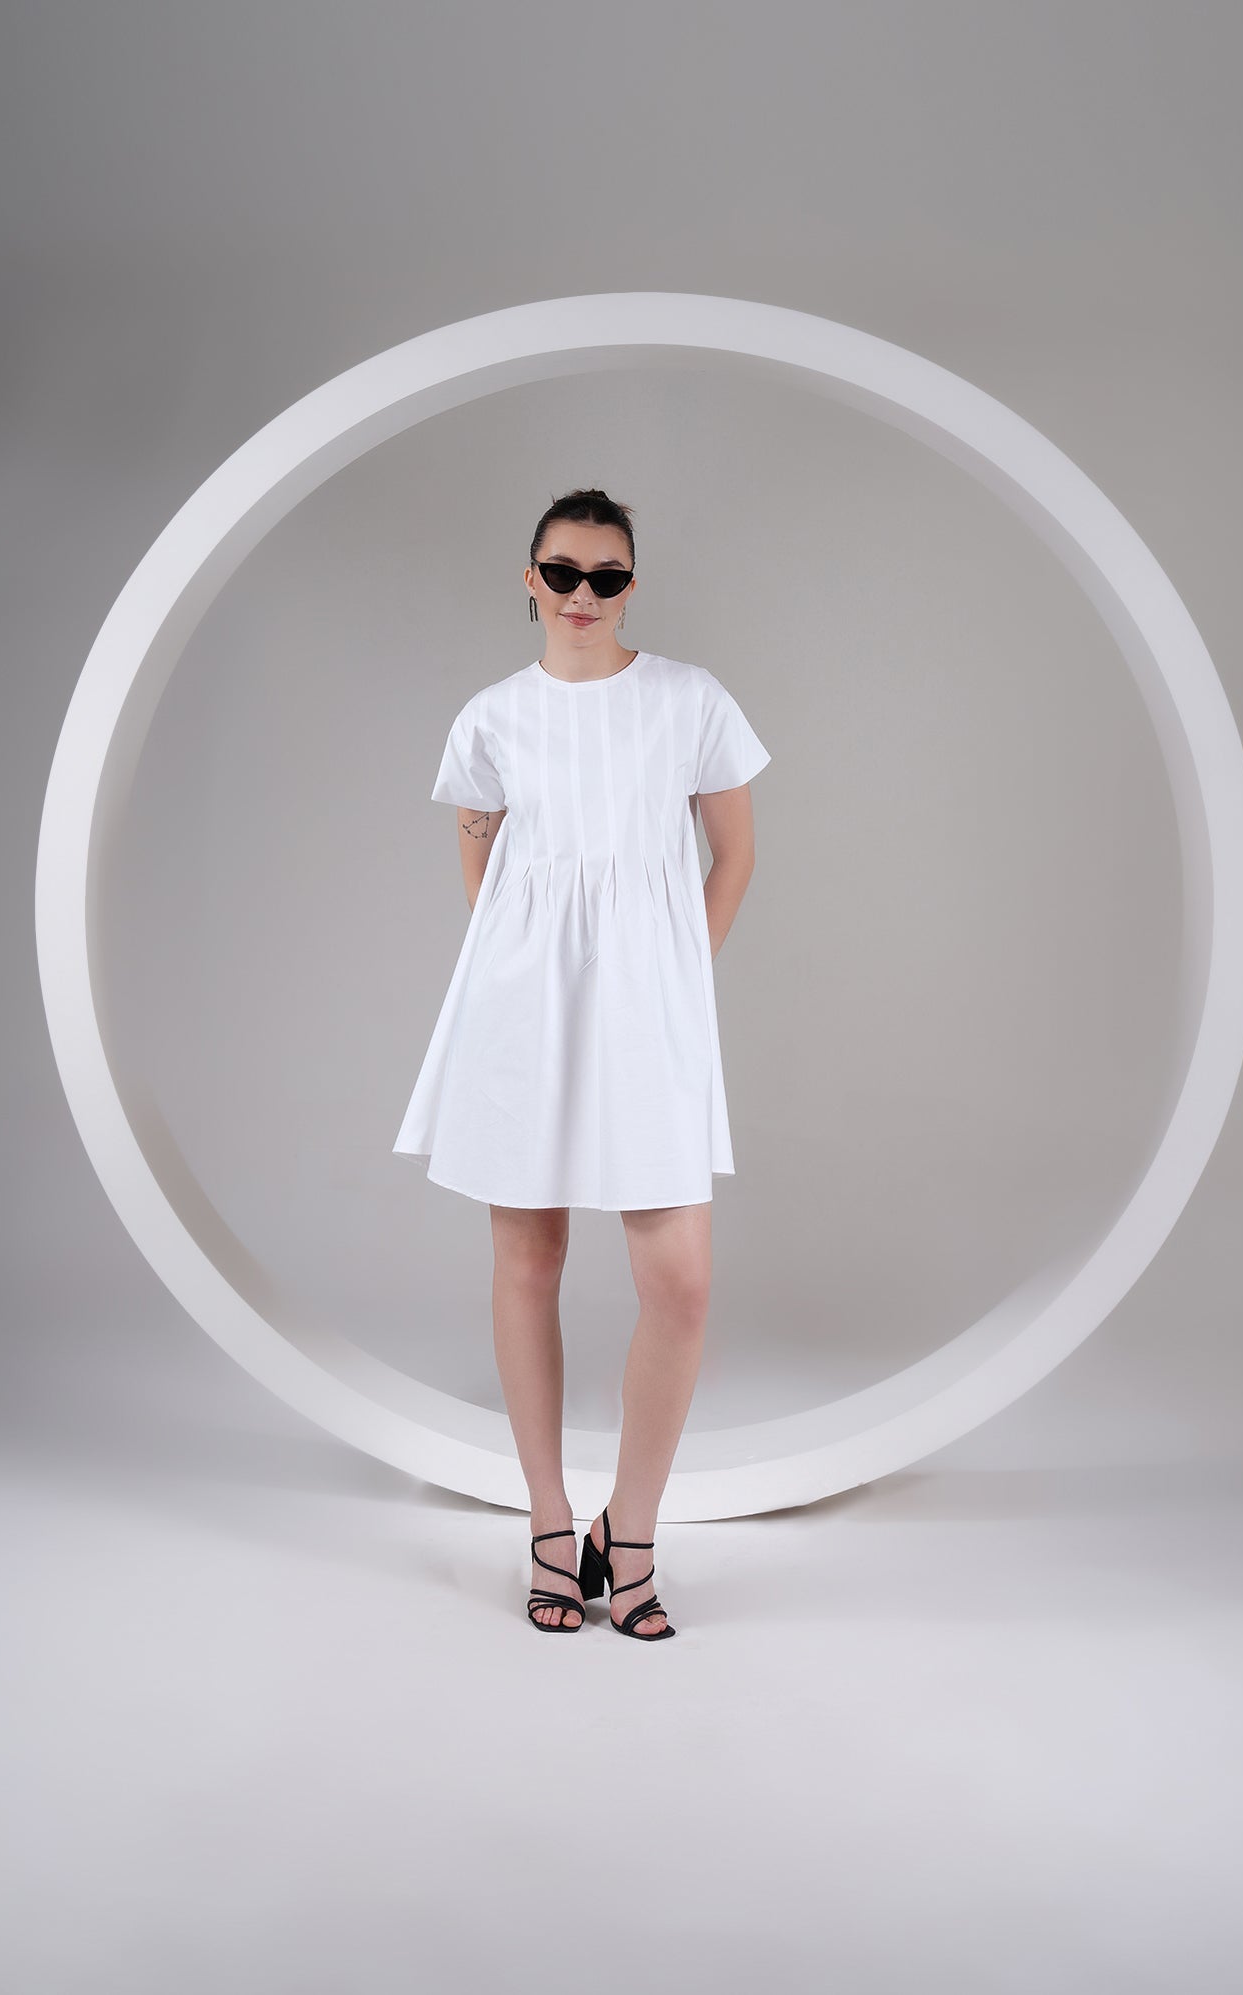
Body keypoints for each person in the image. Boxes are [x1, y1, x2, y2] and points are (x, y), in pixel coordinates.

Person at [393, 488, 771, 1639]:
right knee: (529, 1258)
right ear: (529, 578)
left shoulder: (689, 700)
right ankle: (550, 1524)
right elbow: (483, 863)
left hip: (649, 1011)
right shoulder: (491, 717)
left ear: (630, 587)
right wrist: (519, 973)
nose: (581, 595)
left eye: (606, 577)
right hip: (521, 1008)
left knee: (680, 1282)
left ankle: (633, 1530)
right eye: (562, 572)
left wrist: (672, 976)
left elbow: (734, 855)